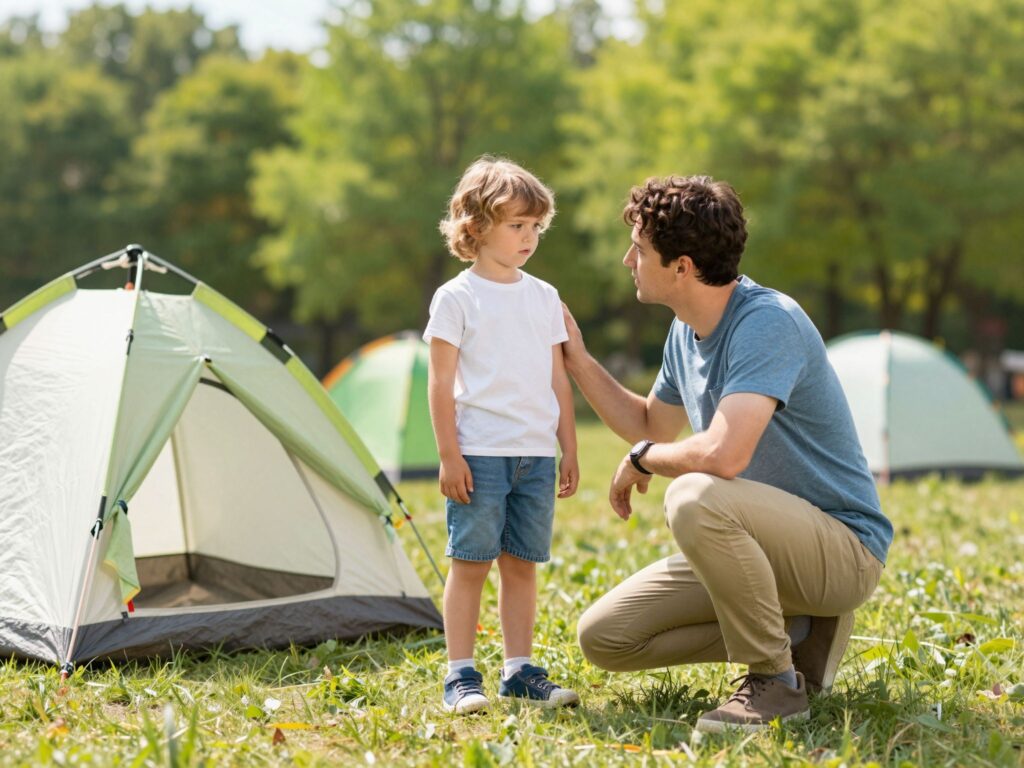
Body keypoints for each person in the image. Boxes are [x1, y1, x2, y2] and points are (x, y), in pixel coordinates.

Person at [562, 175, 893, 732]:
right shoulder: (683, 332)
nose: (627, 260)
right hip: (762, 548)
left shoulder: (768, 322)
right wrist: (576, 359)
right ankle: (797, 637)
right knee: (606, 637)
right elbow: (649, 424)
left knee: (694, 495)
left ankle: (775, 683)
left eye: (639, 250)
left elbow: (724, 454)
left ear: (682, 266)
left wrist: (643, 459)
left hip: (842, 550)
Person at [424, 156, 581, 714]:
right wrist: (449, 455)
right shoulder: (456, 298)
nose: (529, 237)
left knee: (521, 564)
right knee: (470, 563)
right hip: (480, 455)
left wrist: (569, 446)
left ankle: (519, 670)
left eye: (536, 226)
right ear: (476, 225)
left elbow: (556, 376)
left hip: (534, 457)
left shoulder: (543, 296)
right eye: (517, 225)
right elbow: (440, 384)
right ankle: (460, 674)